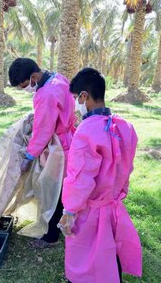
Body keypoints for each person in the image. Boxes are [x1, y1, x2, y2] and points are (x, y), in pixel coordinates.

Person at [58, 68, 142, 283]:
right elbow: (126, 168)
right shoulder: (125, 127)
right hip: (113, 205)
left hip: (91, 209)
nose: (76, 104)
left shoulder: (86, 130)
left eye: (76, 98)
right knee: (110, 251)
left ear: (84, 96)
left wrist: (70, 210)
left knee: (85, 258)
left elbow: (80, 178)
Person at [8, 58, 76, 249]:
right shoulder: (58, 78)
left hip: (59, 148)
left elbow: (43, 130)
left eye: (24, 86)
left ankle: (51, 236)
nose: (25, 89)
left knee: (53, 189)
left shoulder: (45, 94)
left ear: (33, 76)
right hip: (69, 140)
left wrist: (29, 157)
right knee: (64, 188)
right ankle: (63, 226)